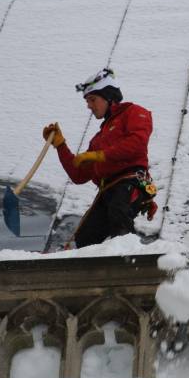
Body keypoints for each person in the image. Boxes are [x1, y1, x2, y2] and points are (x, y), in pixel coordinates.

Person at [43, 68, 156, 248]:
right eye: (87, 101)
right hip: (108, 191)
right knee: (86, 237)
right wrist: (61, 146)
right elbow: (78, 175)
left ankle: (129, 261)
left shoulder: (134, 112)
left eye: (92, 100)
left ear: (108, 96)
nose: (89, 106)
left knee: (119, 215)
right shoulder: (98, 139)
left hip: (130, 183)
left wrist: (99, 155)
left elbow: (137, 144)